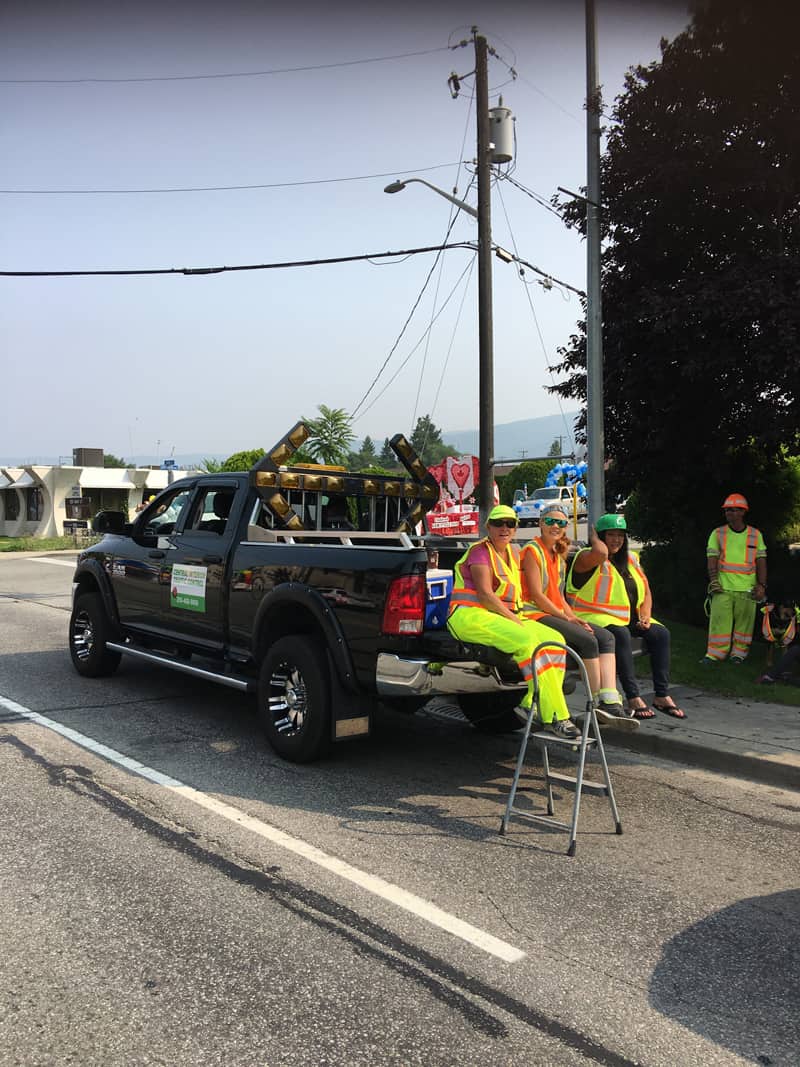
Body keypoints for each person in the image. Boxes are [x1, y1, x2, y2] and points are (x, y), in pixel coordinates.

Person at [447, 504, 581, 739]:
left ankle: (532, 703)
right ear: (488, 527)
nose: (504, 528)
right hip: (469, 615)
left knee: (555, 641)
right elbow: (486, 595)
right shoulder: (480, 551)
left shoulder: (513, 552)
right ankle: (557, 717)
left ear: (516, 528)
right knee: (528, 642)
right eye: (499, 523)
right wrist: (514, 620)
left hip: (502, 617)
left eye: (510, 524)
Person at [518, 504, 638, 731]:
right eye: (551, 521)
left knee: (606, 637)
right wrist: (567, 618)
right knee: (588, 640)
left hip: (553, 611)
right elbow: (536, 595)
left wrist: (573, 617)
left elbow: (558, 594)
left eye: (561, 523)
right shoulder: (533, 550)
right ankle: (595, 703)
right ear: (541, 523)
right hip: (534, 612)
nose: (556, 526)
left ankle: (610, 700)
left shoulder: (557, 555)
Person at [567, 513, 686, 719]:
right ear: (600, 537)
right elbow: (601, 553)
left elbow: (646, 591)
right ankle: (633, 697)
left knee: (661, 634)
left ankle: (661, 695)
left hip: (628, 618)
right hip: (595, 617)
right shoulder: (587, 557)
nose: (616, 540)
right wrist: (593, 537)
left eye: (620, 535)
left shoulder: (632, 558)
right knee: (620, 635)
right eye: (610, 535)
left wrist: (646, 615)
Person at [702, 493, 767, 664]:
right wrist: (713, 580)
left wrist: (761, 585)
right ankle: (715, 655)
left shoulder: (755, 534)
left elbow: (761, 561)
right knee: (719, 623)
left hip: (747, 589)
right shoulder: (718, 533)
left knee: (744, 627)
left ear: (743, 512)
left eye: (734, 510)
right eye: (727, 510)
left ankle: (738, 654)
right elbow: (712, 559)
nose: (730, 513)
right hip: (722, 588)